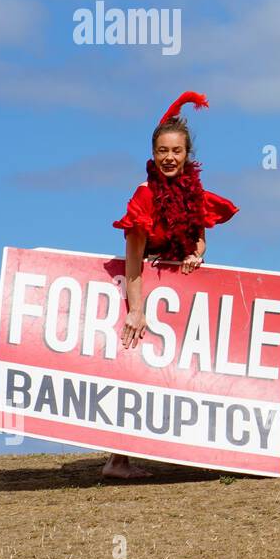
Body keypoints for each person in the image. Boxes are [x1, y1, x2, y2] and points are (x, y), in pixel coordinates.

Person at [111, 91, 239, 479]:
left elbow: (198, 235)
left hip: (177, 296)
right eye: (163, 150)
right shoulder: (145, 196)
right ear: (153, 153)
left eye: (177, 151)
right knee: (129, 372)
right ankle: (117, 461)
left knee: (180, 371)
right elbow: (133, 254)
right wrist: (136, 309)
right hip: (141, 289)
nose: (169, 157)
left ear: (187, 155)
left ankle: (187, 449)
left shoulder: (193, 193)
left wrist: (195, 254)